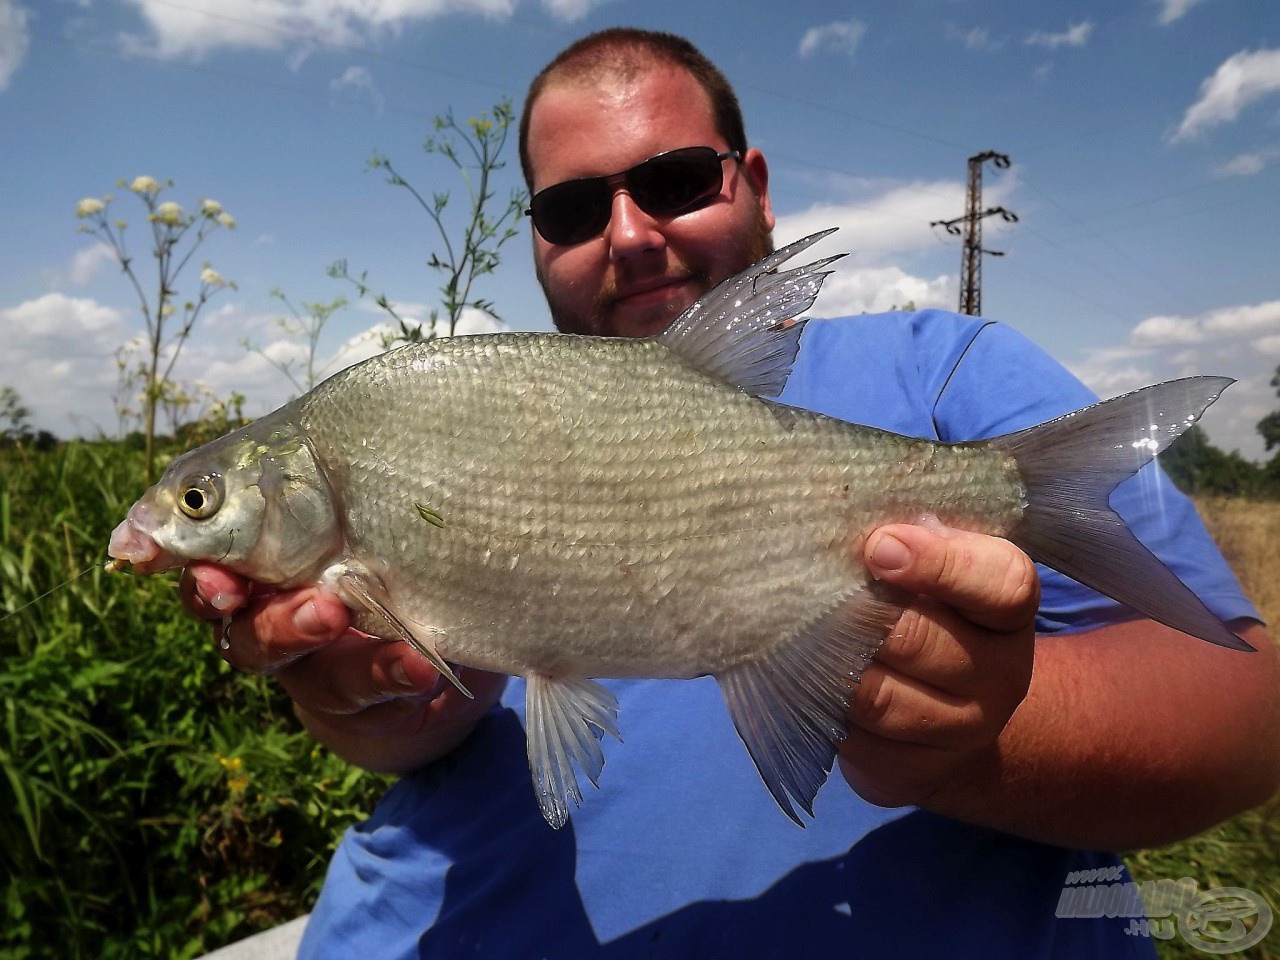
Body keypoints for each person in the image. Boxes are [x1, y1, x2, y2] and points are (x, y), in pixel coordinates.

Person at [182, 28, 1280, 959]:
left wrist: (971, 736)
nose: (626, 234)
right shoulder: (462, 406)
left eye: (671, 183)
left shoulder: (940, 373)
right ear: (534, 241)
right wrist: (381, 706)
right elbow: (429, 718)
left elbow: (1246, 713)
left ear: (751, 185)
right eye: (569, 209)